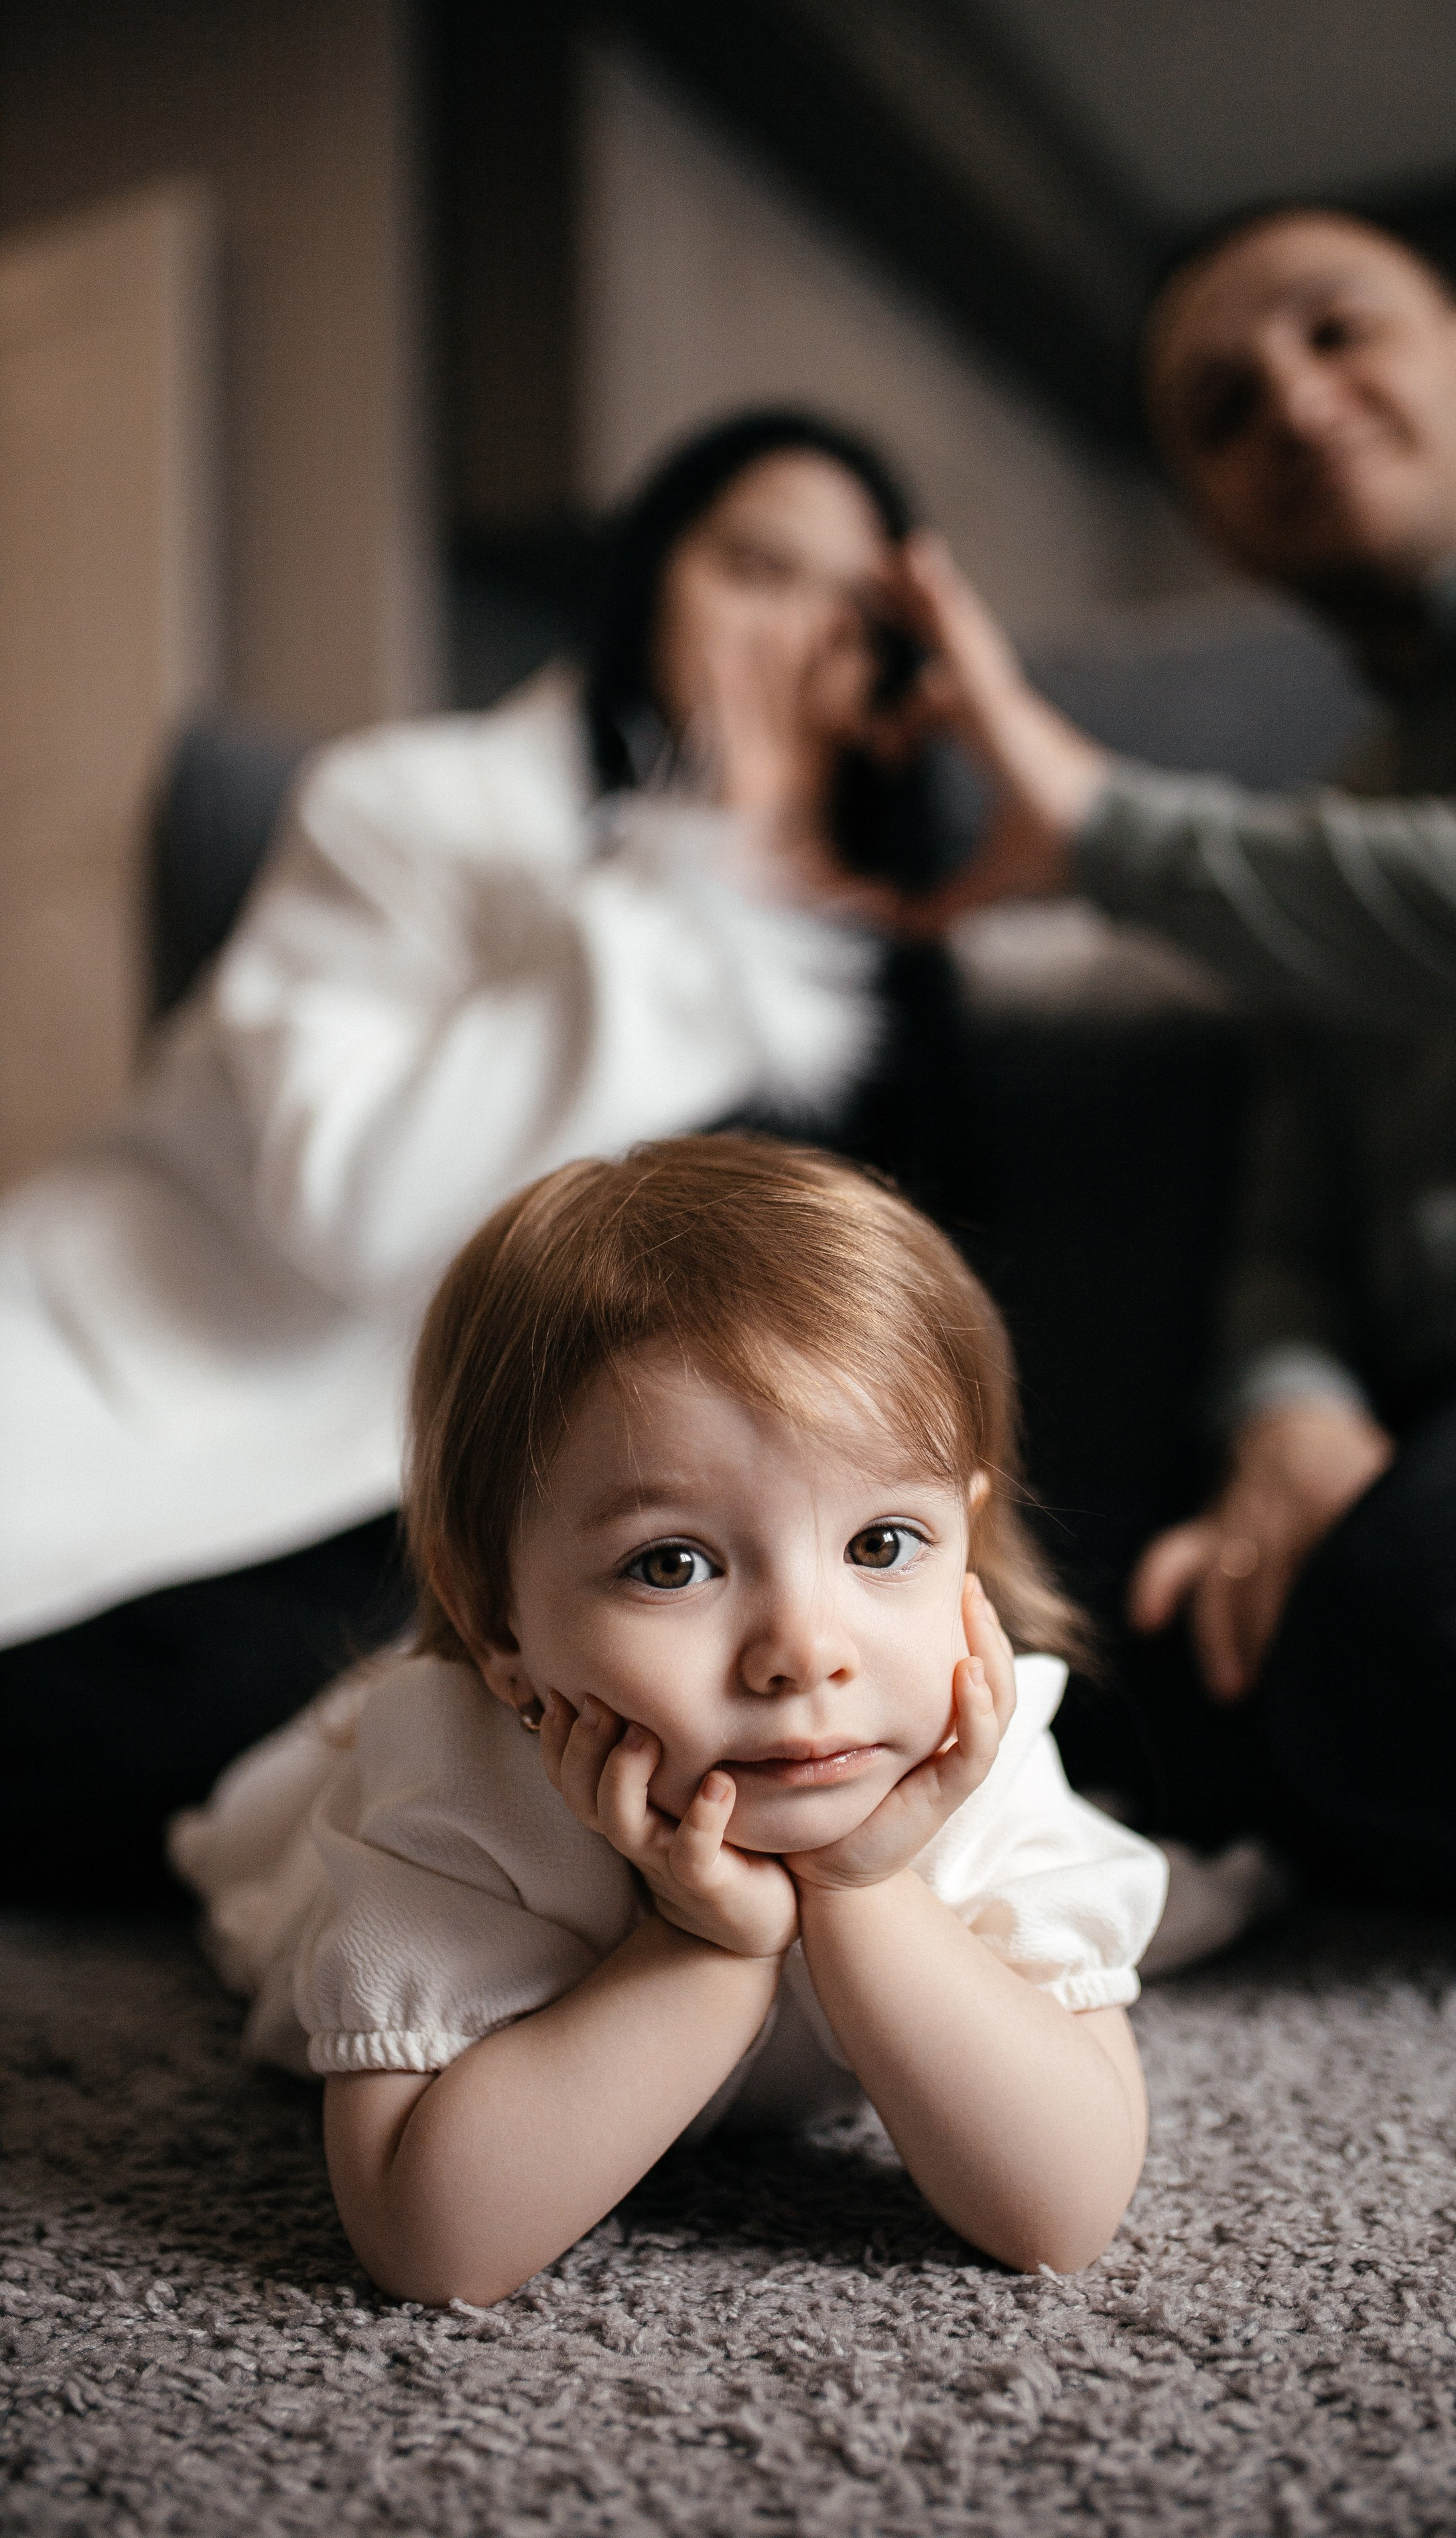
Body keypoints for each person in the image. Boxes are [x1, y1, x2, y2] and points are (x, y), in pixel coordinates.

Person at [0, 408, 972, 1903]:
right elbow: (354, 1208)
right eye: (758, 571)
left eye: (852, 616)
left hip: (610, 1497)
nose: (796, 639)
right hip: (199, 1375)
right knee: (309, 1729)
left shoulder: (869, 952)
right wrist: (691, 878)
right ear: (652, 573)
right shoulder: (404, 806)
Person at [897, 205, 1456, 1923]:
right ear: (1207, 518)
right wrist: (1292, 1417)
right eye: (1218, 405)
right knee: (998, 1645)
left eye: (1335, 329)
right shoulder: (1332, 822)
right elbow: (1291, 1221)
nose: (1287, 394)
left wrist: (1103, 826)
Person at [171, 1133, 1165, 2301]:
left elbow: (1064, 2210)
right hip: (350, 1790)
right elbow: (429, 2243)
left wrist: (860, 1889)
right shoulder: (459, 1790)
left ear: (966, 1545)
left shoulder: (967, 1758)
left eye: (881, 1545)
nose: (805, 1652)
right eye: (674, 1565)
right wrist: (705, 1943)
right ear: (493, 1616)